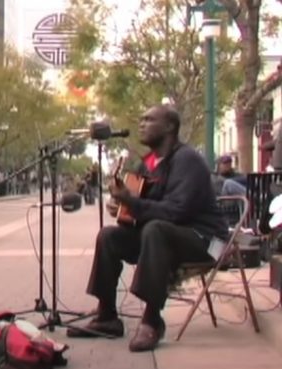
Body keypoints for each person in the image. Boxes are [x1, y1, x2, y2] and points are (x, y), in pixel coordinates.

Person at [70, 105, 228, 352]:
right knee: (109, 236)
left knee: (156, 229)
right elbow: (143, 209)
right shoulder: (149, 163)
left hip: (209, 242)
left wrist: (131, 202)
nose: (141, 124)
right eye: (141, 118)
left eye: (149, 119)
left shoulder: (188, 159)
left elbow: (176, 212)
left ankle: (152, 320)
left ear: (169, 127)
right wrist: (123, 210)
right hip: (164, 238)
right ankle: (107, 316)